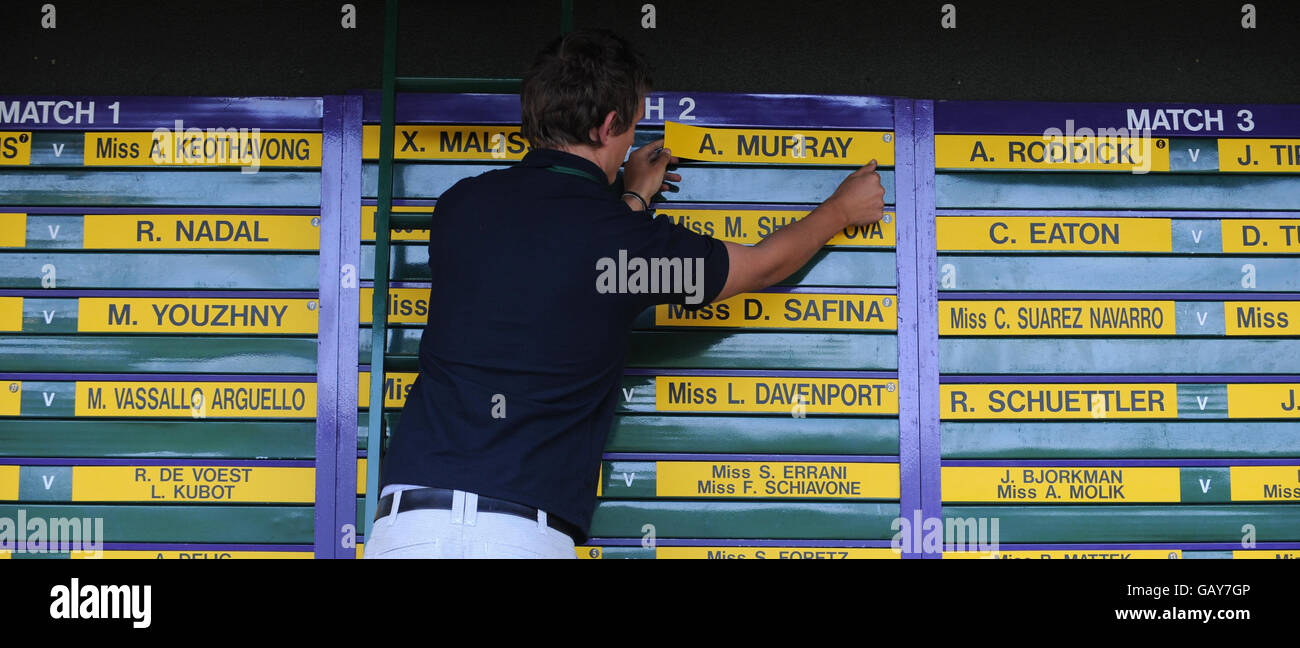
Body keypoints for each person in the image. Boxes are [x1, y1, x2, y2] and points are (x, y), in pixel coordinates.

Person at [363, 28, 885, 559]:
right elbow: (763, 266)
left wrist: (631, 196)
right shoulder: (627, 244)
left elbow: (557, 268)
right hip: (516, 536)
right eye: (632, 124)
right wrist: (842, 209)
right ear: (610, 125)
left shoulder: (459, 207)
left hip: (405, 528)